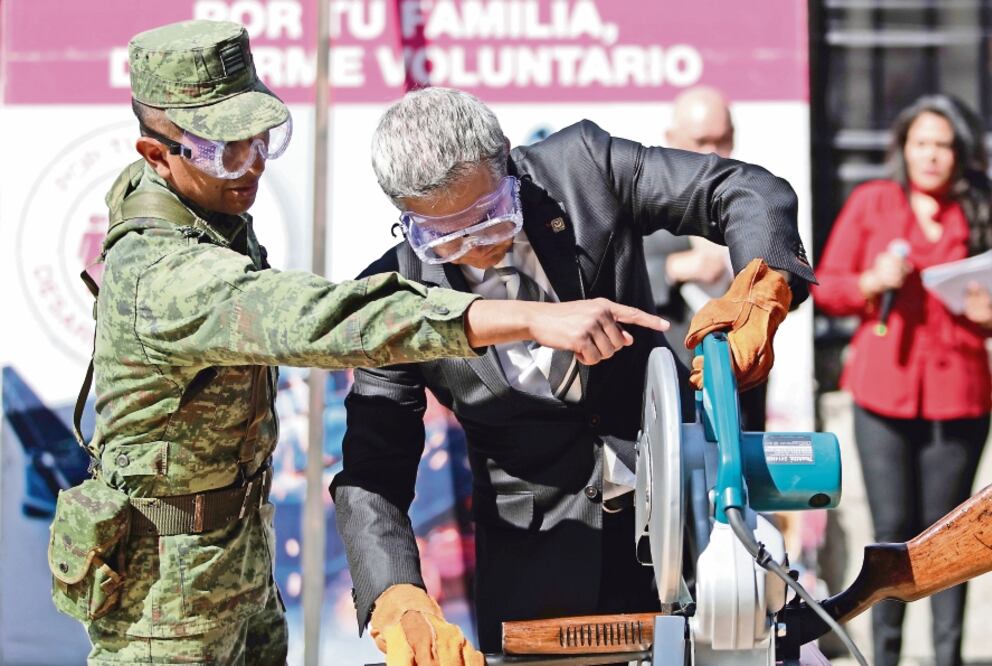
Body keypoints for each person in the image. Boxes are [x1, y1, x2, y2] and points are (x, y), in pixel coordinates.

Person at [46, 21, 665, 665]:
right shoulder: (166, 272)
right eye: (226, 151)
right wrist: (523, 319)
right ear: (156, 155)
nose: (253, 165)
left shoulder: (212, 216)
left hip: (237, 568)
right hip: (165, 599)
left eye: (261, 139)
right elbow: (324, 320)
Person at [330, 87, 815, 662]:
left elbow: (743, 189)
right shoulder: (394, 301)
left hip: (682, 537)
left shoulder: (583, 167)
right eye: (442, 237)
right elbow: (374, 471)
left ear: (505, 157)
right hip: (534, 571)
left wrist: (762, 293)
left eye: (487, 220)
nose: (473, 249)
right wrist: (395, 593)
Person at [812, 94, 992, 666]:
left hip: (958, 397)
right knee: (893, 536)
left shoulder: (987, 213)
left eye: (944, 145)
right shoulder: (873, 203)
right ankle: (883, 658)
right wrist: (869, 280)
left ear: (961, 153)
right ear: (903, 149)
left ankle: (947, 656)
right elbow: (827, 286)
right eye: (921, 143)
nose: (932, 156)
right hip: (883, 392)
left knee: (953, 541)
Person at [646, 85, 768, 430]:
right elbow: (609, 280)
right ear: (671, 139)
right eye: (700, 142)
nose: (713, 155)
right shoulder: (640, 202)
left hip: (740, 388)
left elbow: (795, 285)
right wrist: (672, 269)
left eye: (723, 140)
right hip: (667, 385)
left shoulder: (757, 203)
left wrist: (751, 274)